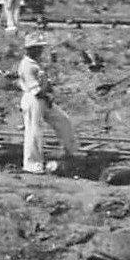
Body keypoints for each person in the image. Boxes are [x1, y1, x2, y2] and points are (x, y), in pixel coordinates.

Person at [18, 32, 79, 173]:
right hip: (33, 99)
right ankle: (32, 164)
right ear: (29, 49)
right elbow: (37, 90)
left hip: (43, 99)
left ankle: (71, 151)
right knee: (34, 131)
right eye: (37, 48)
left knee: (63, 121)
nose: (40, 50)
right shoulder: (26, 66)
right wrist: (48, 90)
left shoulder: (36, 63)